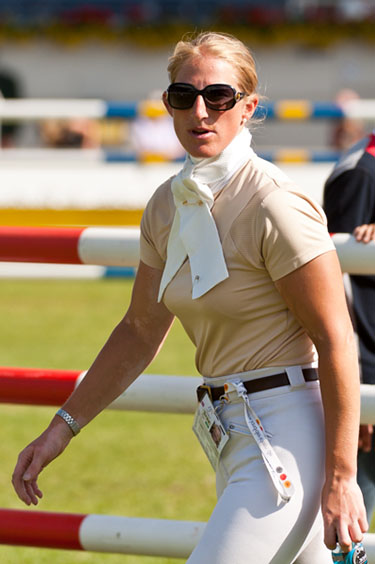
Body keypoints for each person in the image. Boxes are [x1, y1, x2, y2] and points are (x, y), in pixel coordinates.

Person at [12, 32, 367, 563]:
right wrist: (62, 428)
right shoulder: (164, 206)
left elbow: (337, 339)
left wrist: (343, 477)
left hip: (289, 437)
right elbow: (138, 330)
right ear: (168, 105)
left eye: (219, 97)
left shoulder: (274, 203)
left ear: (247, 108)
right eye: (185, 96)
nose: (201, 112)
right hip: (231, 431)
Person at [323, 132, 375, 524]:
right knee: (353, 525)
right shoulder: (360, 174)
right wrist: (358, 394)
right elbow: (335, 287)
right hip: (368, 376)